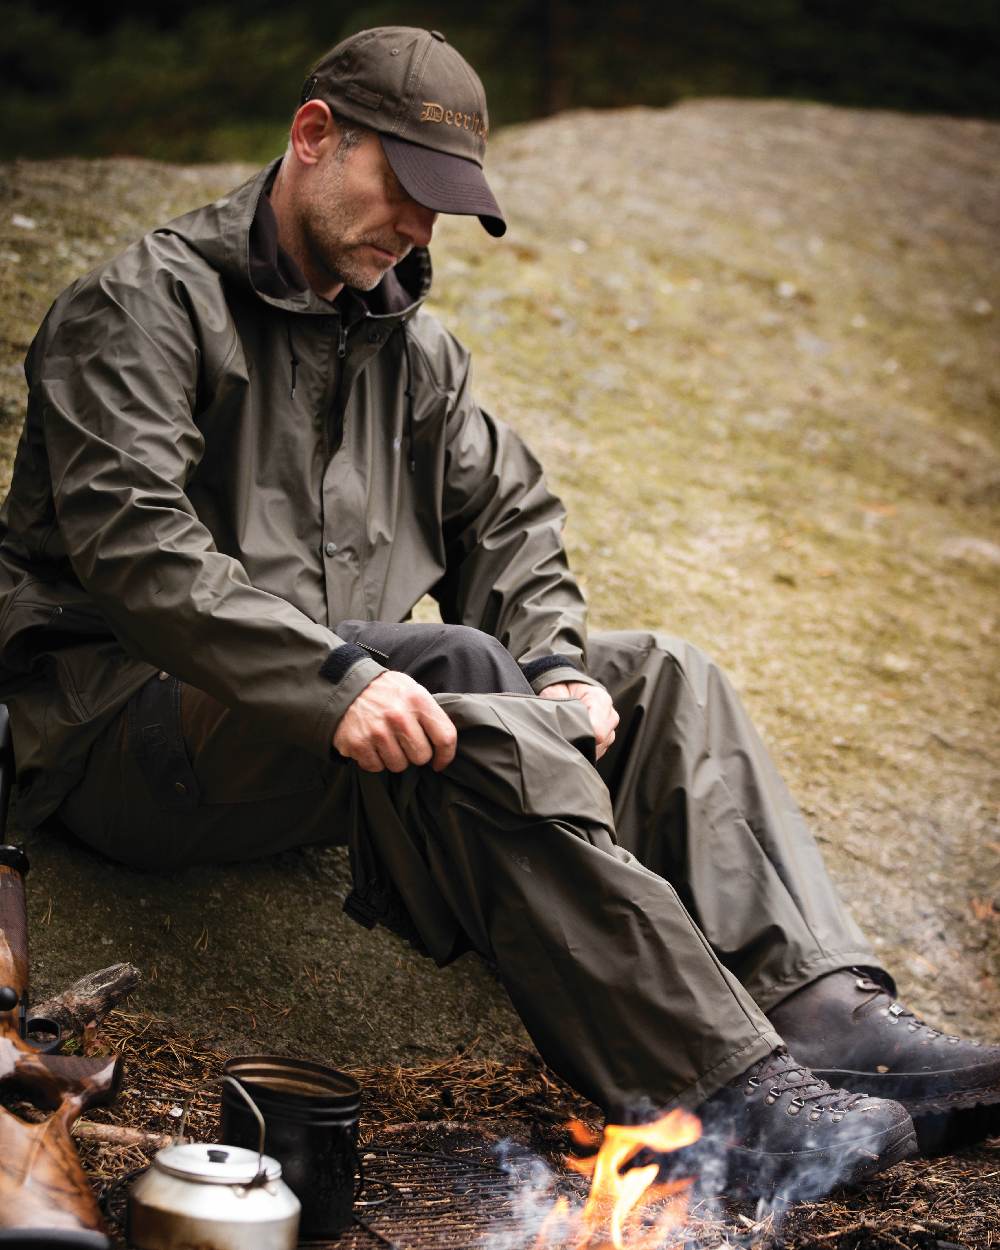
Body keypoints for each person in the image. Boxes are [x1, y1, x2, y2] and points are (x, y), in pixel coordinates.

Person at [0, 26, 995, 1202]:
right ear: (313, 136)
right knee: (456, 678)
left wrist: (557, 664)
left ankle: (827, 1016)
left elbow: (507, 515)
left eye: (443, 204)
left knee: (661, 676)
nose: (419, 228)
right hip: (129, 724)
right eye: (404, 187)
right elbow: (140, 552)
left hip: (323, 714)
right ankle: (724, 1093)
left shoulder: (408, 347)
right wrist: (336, 679)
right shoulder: (141, 305)